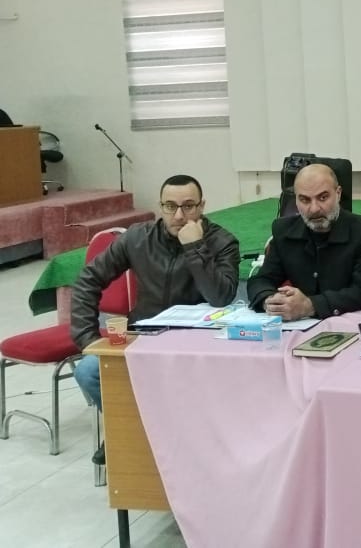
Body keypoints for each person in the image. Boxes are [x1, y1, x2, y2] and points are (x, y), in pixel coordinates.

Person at [70, 174, 240, 464]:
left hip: (196, 343)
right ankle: (131, 427)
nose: (179, 215)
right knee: (88, 371)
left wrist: (195, 247)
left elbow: (220, 297)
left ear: (202, 206)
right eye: (170, 206)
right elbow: (89, 280)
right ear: (160, 206)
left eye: (188, 206)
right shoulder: (137, 238)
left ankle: (153, 435)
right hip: (142, 336)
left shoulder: (222, 242)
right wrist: (88, 339)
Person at [247, 162, 361, 320]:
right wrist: (271, 301)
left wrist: (309, 306)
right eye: (304, 200)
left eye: (323, 198)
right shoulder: (283, 231)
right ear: (295, 200)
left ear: (338, 193)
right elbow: (261, 280)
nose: (314, 209)